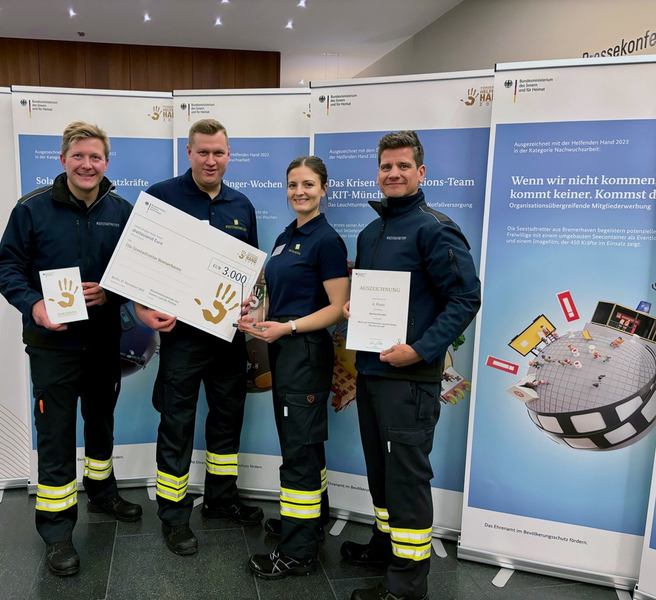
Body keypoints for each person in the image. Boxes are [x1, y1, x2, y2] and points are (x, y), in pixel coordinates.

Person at [0, 121, 141, 577]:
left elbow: (134, 273)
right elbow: (8, 267)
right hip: (52, 344)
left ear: (106, 162)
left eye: (96, 157)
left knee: (101, 420)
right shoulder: (32, 209)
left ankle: (102, 491)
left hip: (103, 341)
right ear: (63, 160)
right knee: (56, 434)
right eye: (78, 156)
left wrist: (111, 294)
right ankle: (57, 532)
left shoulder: (122, 209)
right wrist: (34, 305)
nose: (87, 164)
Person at [342, 131, 481, 600]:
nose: (393, 174)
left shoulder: (434, 228)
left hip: (410, 379)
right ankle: (385, 549)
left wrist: (421, 350)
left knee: (406, 477)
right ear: (377, 172)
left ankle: (406, 587)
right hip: (371, 371)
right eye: (386, 166)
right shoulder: (371, 231)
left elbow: (466, 297)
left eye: (403, 166)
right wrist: (354, 310)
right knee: (380, 473)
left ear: (421, 173)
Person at [134, 118, 263, 556]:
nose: (211, 160)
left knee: (227, 420)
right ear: (189, 153)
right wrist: (142, 308)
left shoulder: (241, 206)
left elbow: (251, 276)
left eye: (219, 152)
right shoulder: (160, 197)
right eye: (203, 152)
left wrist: (250, 303)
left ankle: (221, 500)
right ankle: (173, 517)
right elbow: (138, 263)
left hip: (228, 339)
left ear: (229, 155)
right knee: (177, 425)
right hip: (182, 340)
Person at [241, 156, 349, 579]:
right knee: (306, 445)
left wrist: (285, 326)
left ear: (324, 189)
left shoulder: (326, 240)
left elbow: (338, 309)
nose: (299, 192)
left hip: (305, 356)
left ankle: (298, 553)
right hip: (287, 353)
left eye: (307, 184)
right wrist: (257, 315)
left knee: (299, 455)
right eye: (292, 185)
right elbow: (282, 297)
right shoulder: (288, 236)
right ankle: (310, 522)